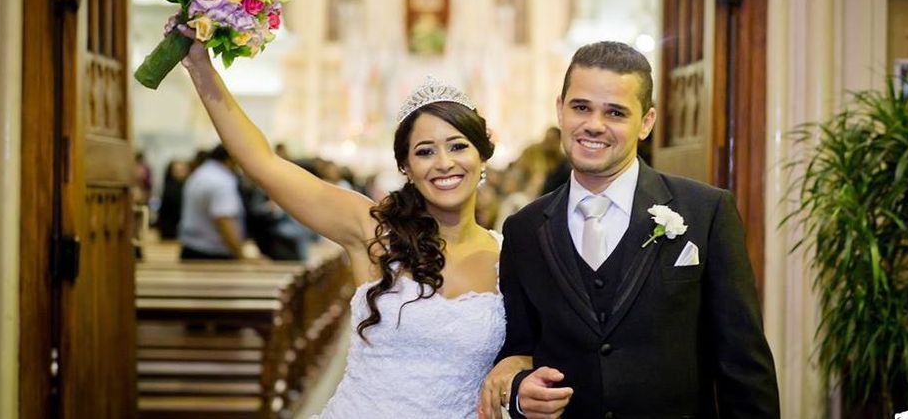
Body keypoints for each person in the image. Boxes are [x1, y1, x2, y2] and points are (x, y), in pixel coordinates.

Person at [178, 28, 529, 417]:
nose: (444, 163)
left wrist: (518, 364)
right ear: (406, 167)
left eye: (458, 146)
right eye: (425, 151)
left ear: (483, 156)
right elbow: (264, 163)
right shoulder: (375, 233)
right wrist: (200, 67)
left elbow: (545, 344)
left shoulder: (511, 255)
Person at [481, 41, 779, 418]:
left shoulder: (706, 213)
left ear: (647, 122)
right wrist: (522, 393)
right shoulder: (524, 229)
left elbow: (743, 364)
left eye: (616, 112)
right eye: (581, 107)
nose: (594, 124)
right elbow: (518, 348)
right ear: (560, 109)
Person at [178, 144, 246, 259]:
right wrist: (240, 254)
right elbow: (223, 220)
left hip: (192, 248)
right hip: (212, 253)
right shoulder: (221, 180)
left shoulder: (200, 173)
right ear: (233, 158)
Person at [156, 158, 189, 240]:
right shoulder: (172, 188)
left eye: (183, 170)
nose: (181, 173)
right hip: (172, 231)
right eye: (178, 170)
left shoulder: (185, 186)